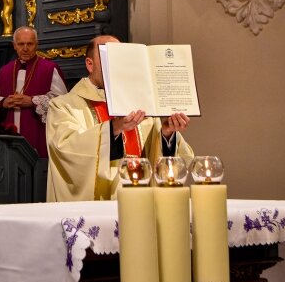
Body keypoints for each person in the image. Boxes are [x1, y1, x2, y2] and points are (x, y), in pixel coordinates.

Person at [45, 35, 194, 201]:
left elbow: (162, 162)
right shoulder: (64, 105)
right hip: (98, 207)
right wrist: (113, 129)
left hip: (141, 201)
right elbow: (65, 148)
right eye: (109, 56)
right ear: (90, 64)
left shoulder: (142, 105)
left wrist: (166, 134)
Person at [0, 26, 67, 157]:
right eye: (21, 44)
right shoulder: (5, 71)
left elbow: (62, 102)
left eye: (30, 44)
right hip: (9, 138)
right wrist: (3, 102)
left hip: (38, 134)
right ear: (14, 45)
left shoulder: (49, 69)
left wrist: (33, 101)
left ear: (36, 45)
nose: (25, 48)